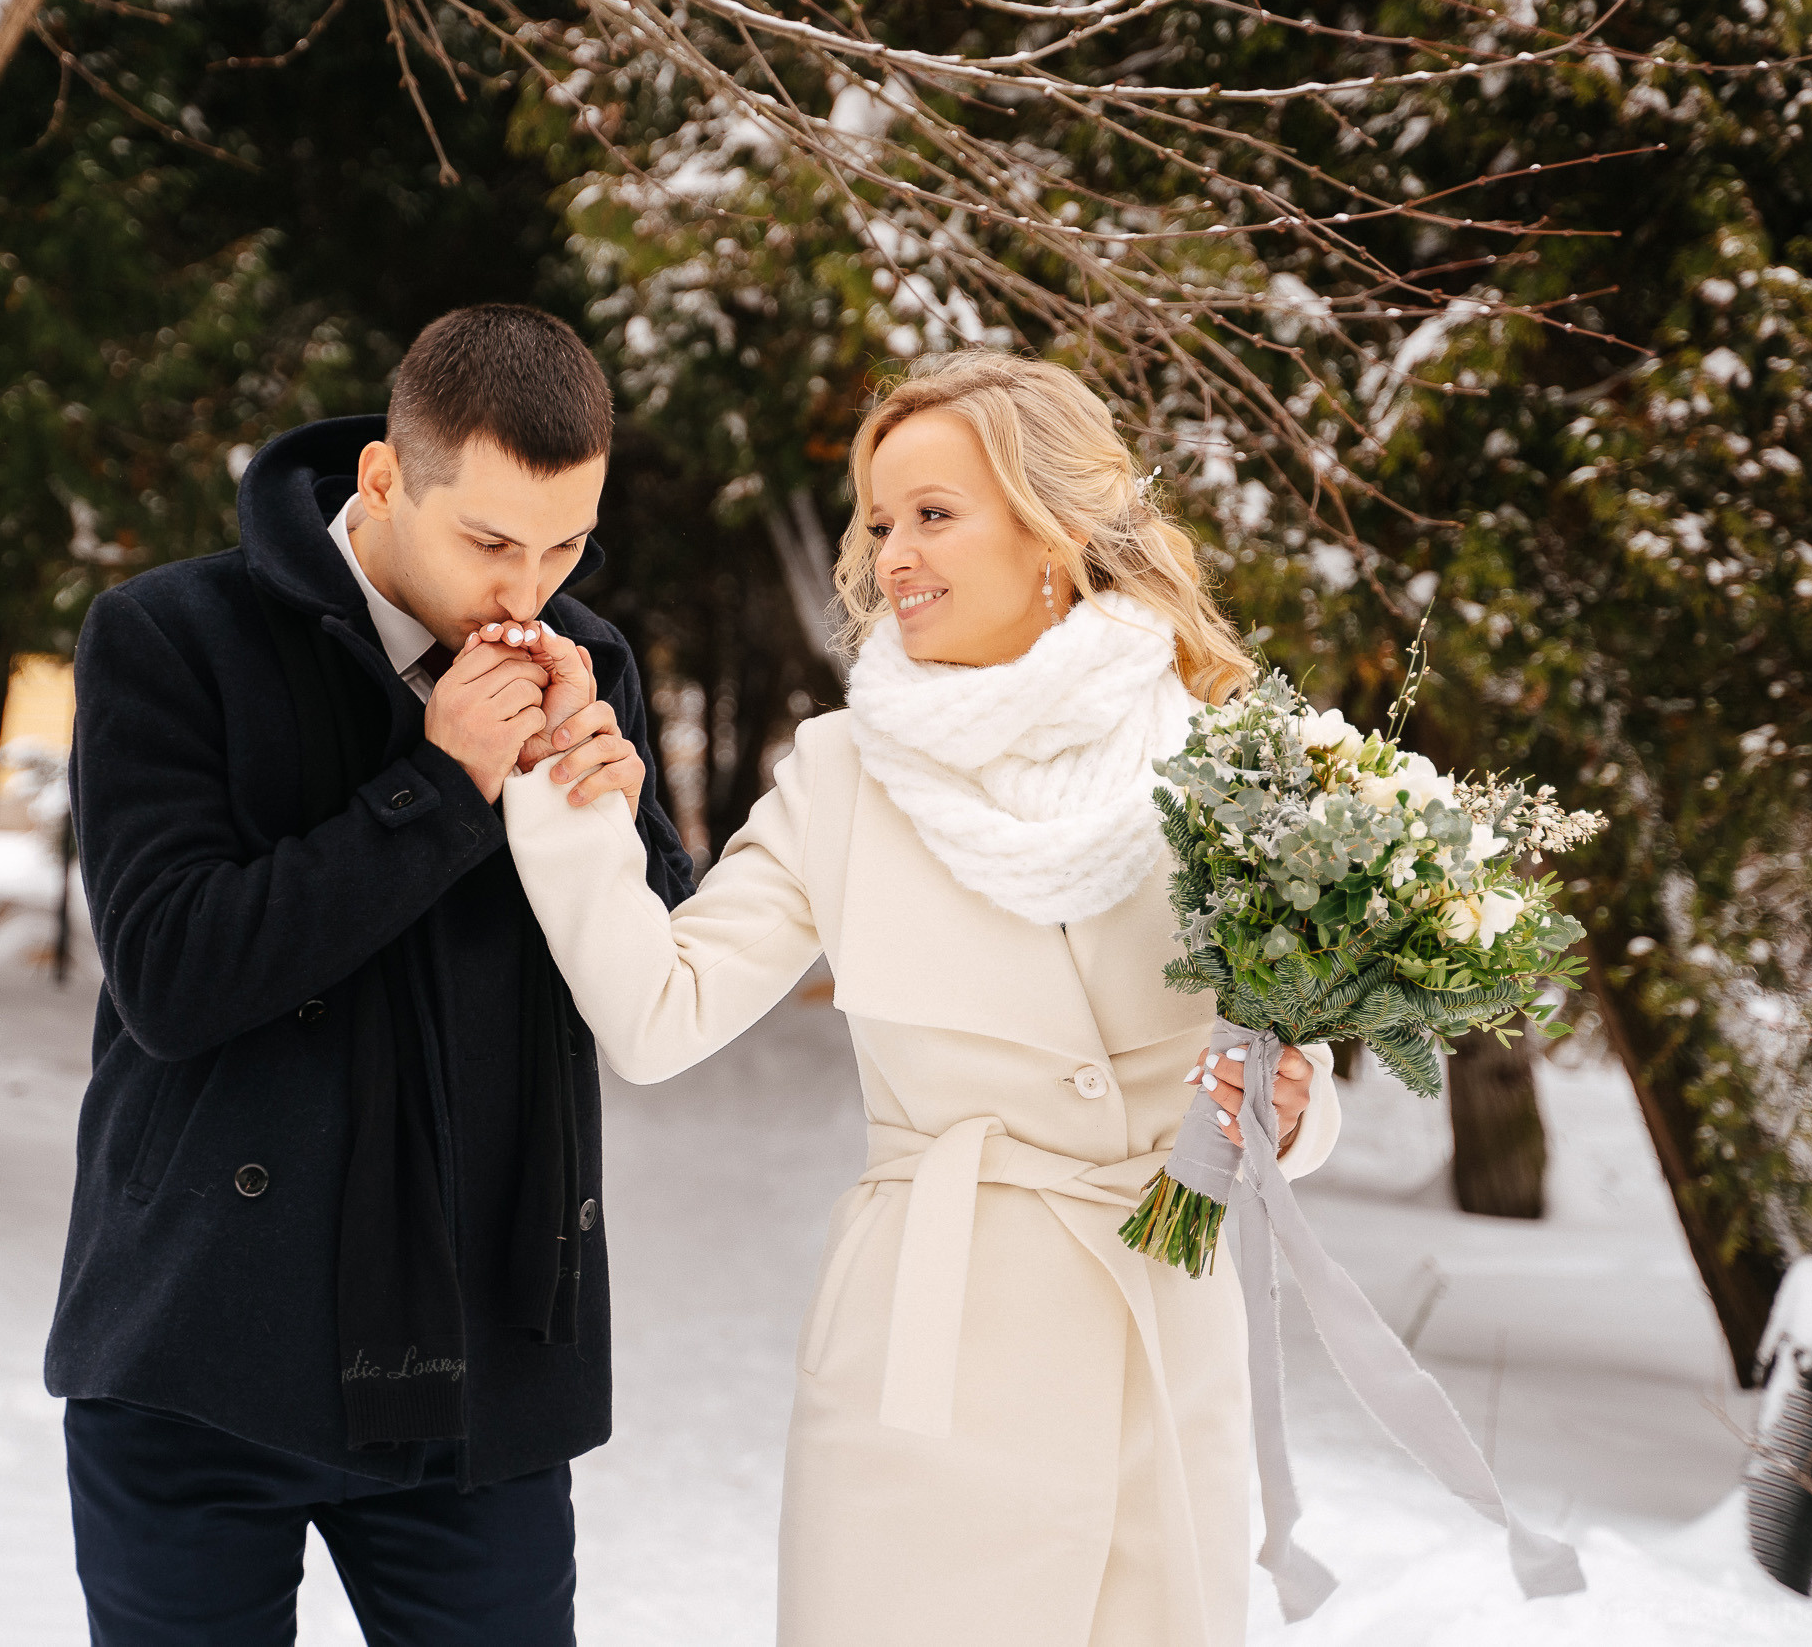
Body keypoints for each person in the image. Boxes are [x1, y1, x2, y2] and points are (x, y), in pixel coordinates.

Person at [502, 348, 1343, 1646]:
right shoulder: (845, 777)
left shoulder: (1225, 756)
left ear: (1053, 527)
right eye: (880, 521)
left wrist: (1288, 1110)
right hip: (929, 1356)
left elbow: (1281, 1059)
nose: (892, 553)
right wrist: (563, 791)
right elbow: (657, 1015)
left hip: (1162, 1338)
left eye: (933, 515)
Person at [45, 303, 692, 1646]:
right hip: (200, 1344)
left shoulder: (594, 663)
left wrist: (615, 837)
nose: (528, 593)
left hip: (482, 1363)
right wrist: (442, 784)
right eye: (492, 542)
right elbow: (172, 976)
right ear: (383, 480)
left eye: (566, 544)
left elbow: (650, 987)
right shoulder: (169, 637)